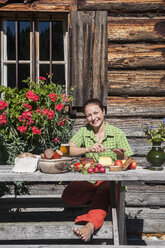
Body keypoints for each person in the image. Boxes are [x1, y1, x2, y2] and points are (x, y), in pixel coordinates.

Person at [62, 98, 134, 242]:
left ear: (104, 112)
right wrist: (88, 148)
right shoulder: (84, 132)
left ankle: (89, 227)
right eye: (89, 115)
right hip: (91, 180)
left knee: (105, 188)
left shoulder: (117, 133)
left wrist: (122, 155)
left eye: (96, 113)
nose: (93, 117)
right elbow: (65, 150)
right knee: (68, 195)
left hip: (111, 182)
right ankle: (101, 199)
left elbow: (129, 161)